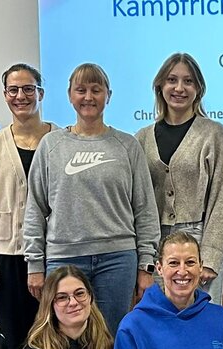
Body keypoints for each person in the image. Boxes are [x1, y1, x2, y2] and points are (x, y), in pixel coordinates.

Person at [23, 63, 159, 333]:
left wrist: (146, 265)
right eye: (81, 90)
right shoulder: (51, 145)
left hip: (117, 260)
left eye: (96, 90)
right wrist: (35, 264)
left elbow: (145, 209)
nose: (88, 97)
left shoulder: (127, 146)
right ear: (69, 95)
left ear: (108, 95)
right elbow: (35, 209)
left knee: (110, 337)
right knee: (65, 337)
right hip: (64, 259)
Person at [0, 63, 58, 348]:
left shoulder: (60, 142)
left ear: (41, 93)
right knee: (13, 340)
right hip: (7, 259)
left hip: (54, 254)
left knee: (53, 336)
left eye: (28, 89)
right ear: (5, 95)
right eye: (13, 90)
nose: (21, 96)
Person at [136, 52, 223, 303]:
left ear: (198, 89)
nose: (179, 88)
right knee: (160, 319)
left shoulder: (214, 134)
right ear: (160, 86)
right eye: (172, 80)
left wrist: (210, 257)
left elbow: (222, 198)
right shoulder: (142, 138)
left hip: (198, 242)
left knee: (202, 318)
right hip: (156, 245)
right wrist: (145, 260)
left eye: (188, 81)